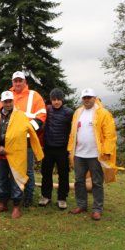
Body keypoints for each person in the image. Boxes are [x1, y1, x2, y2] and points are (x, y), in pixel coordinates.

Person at [0, 91, 44, 218]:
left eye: (10, 101)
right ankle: (2, 203)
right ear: (1, 102)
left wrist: (1, 140)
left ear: (13, 101)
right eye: (5, 101)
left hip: (15, 154)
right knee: (0, 179)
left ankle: (17, 206)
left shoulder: (21, 116)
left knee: (16, 179)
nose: (8, 104)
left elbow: (18, 134)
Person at [67, 88, 117, 221]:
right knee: (79, 181)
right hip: (79, 154)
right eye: (84, 97)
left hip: (95, 155)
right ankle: (81, 205)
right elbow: (72, 133)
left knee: (97, 182)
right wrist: (70, 149)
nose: (86, 100)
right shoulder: (78, 112)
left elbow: (110, 135)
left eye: (89, 97)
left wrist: (106, 151)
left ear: (95, 97)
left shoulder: (103, 113)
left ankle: (97, 209)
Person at [10, 71, 47, 207]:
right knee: (13, 168)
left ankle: (28, 197)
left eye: (20, 80)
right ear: (12, 82)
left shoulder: (34, 96)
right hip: (11, 140)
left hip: (27, 139)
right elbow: (0, 115)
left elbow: (42, 115)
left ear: (25, 82)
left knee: (28, 170)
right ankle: (15, 195)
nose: (18, 83)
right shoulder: (8, 96)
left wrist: (28, 129)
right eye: (16, 81)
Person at [39, 89, 74, 209]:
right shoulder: (47, 111)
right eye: (54, 99)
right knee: (46, 173)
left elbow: (73, 131)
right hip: (48, 148)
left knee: (63, 174)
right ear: (51, 100)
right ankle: (45, 196)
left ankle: (62, 198)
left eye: (58, 99)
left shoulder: (69, 112)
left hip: (62, 149)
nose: (56, 102)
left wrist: (70, 147)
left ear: (62, 100)